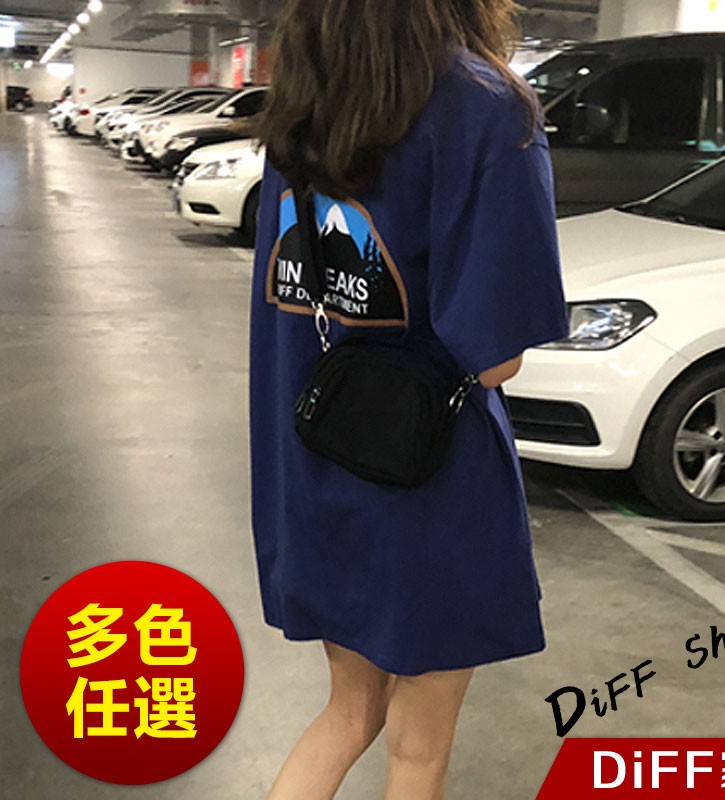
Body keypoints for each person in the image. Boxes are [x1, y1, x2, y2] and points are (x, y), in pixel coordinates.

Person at [249, 2, 569, 798]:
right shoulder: (485, 108)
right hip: (428, 473)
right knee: (418, 752)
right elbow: (495, 359)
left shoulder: (308, 98)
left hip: (314, 454)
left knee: (347, 713)